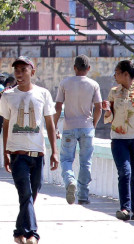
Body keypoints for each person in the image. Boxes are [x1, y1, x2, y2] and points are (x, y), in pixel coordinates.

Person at [0, 56, 59, 244]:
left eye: (24, 69)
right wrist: (6, 152)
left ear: (33, 71)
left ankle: (18, 232)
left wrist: (54, 151)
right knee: (25, 193)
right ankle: (32, 233)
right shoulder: (8, 96)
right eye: (16, 70)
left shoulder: (43, 94)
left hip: (37, 153)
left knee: (31, 195)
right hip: (18, 154)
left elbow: (50, 124)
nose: (19, 73)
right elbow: (5, 125)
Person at [54, 54, 103, 205]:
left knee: (66, 159)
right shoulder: (93, 84)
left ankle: (70, 180)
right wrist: (93, 124)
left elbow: (57, 106)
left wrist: (55, 126)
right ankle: (83, 195)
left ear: (74, 68)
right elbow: (99, 108)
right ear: (88, 68)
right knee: (85, 162)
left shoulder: (65, 83)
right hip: (87, 127)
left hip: (69, 127)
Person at [104, 59, 134, 221]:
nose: (114, 76)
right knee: (124, 172)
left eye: (116, 72)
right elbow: (109, 118)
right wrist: (107, 111)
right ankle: (125, 208)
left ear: (125, 74)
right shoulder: (113, 92)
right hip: (118, 139)